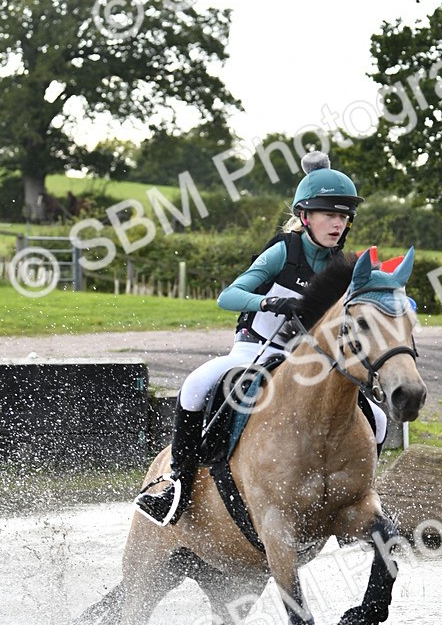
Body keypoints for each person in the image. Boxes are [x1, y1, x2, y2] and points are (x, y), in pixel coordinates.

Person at [134, 150, 387, 527]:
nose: (338, 223)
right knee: (195, 384)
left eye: (343, 216)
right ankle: (177, 485)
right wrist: (271, 301)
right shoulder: (282, 252)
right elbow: (228, 297)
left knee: (379, 420)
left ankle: (354, 490)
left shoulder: (343, 267)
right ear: (306, 217)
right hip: (255, 349)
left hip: (306, 361)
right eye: (329, 214)